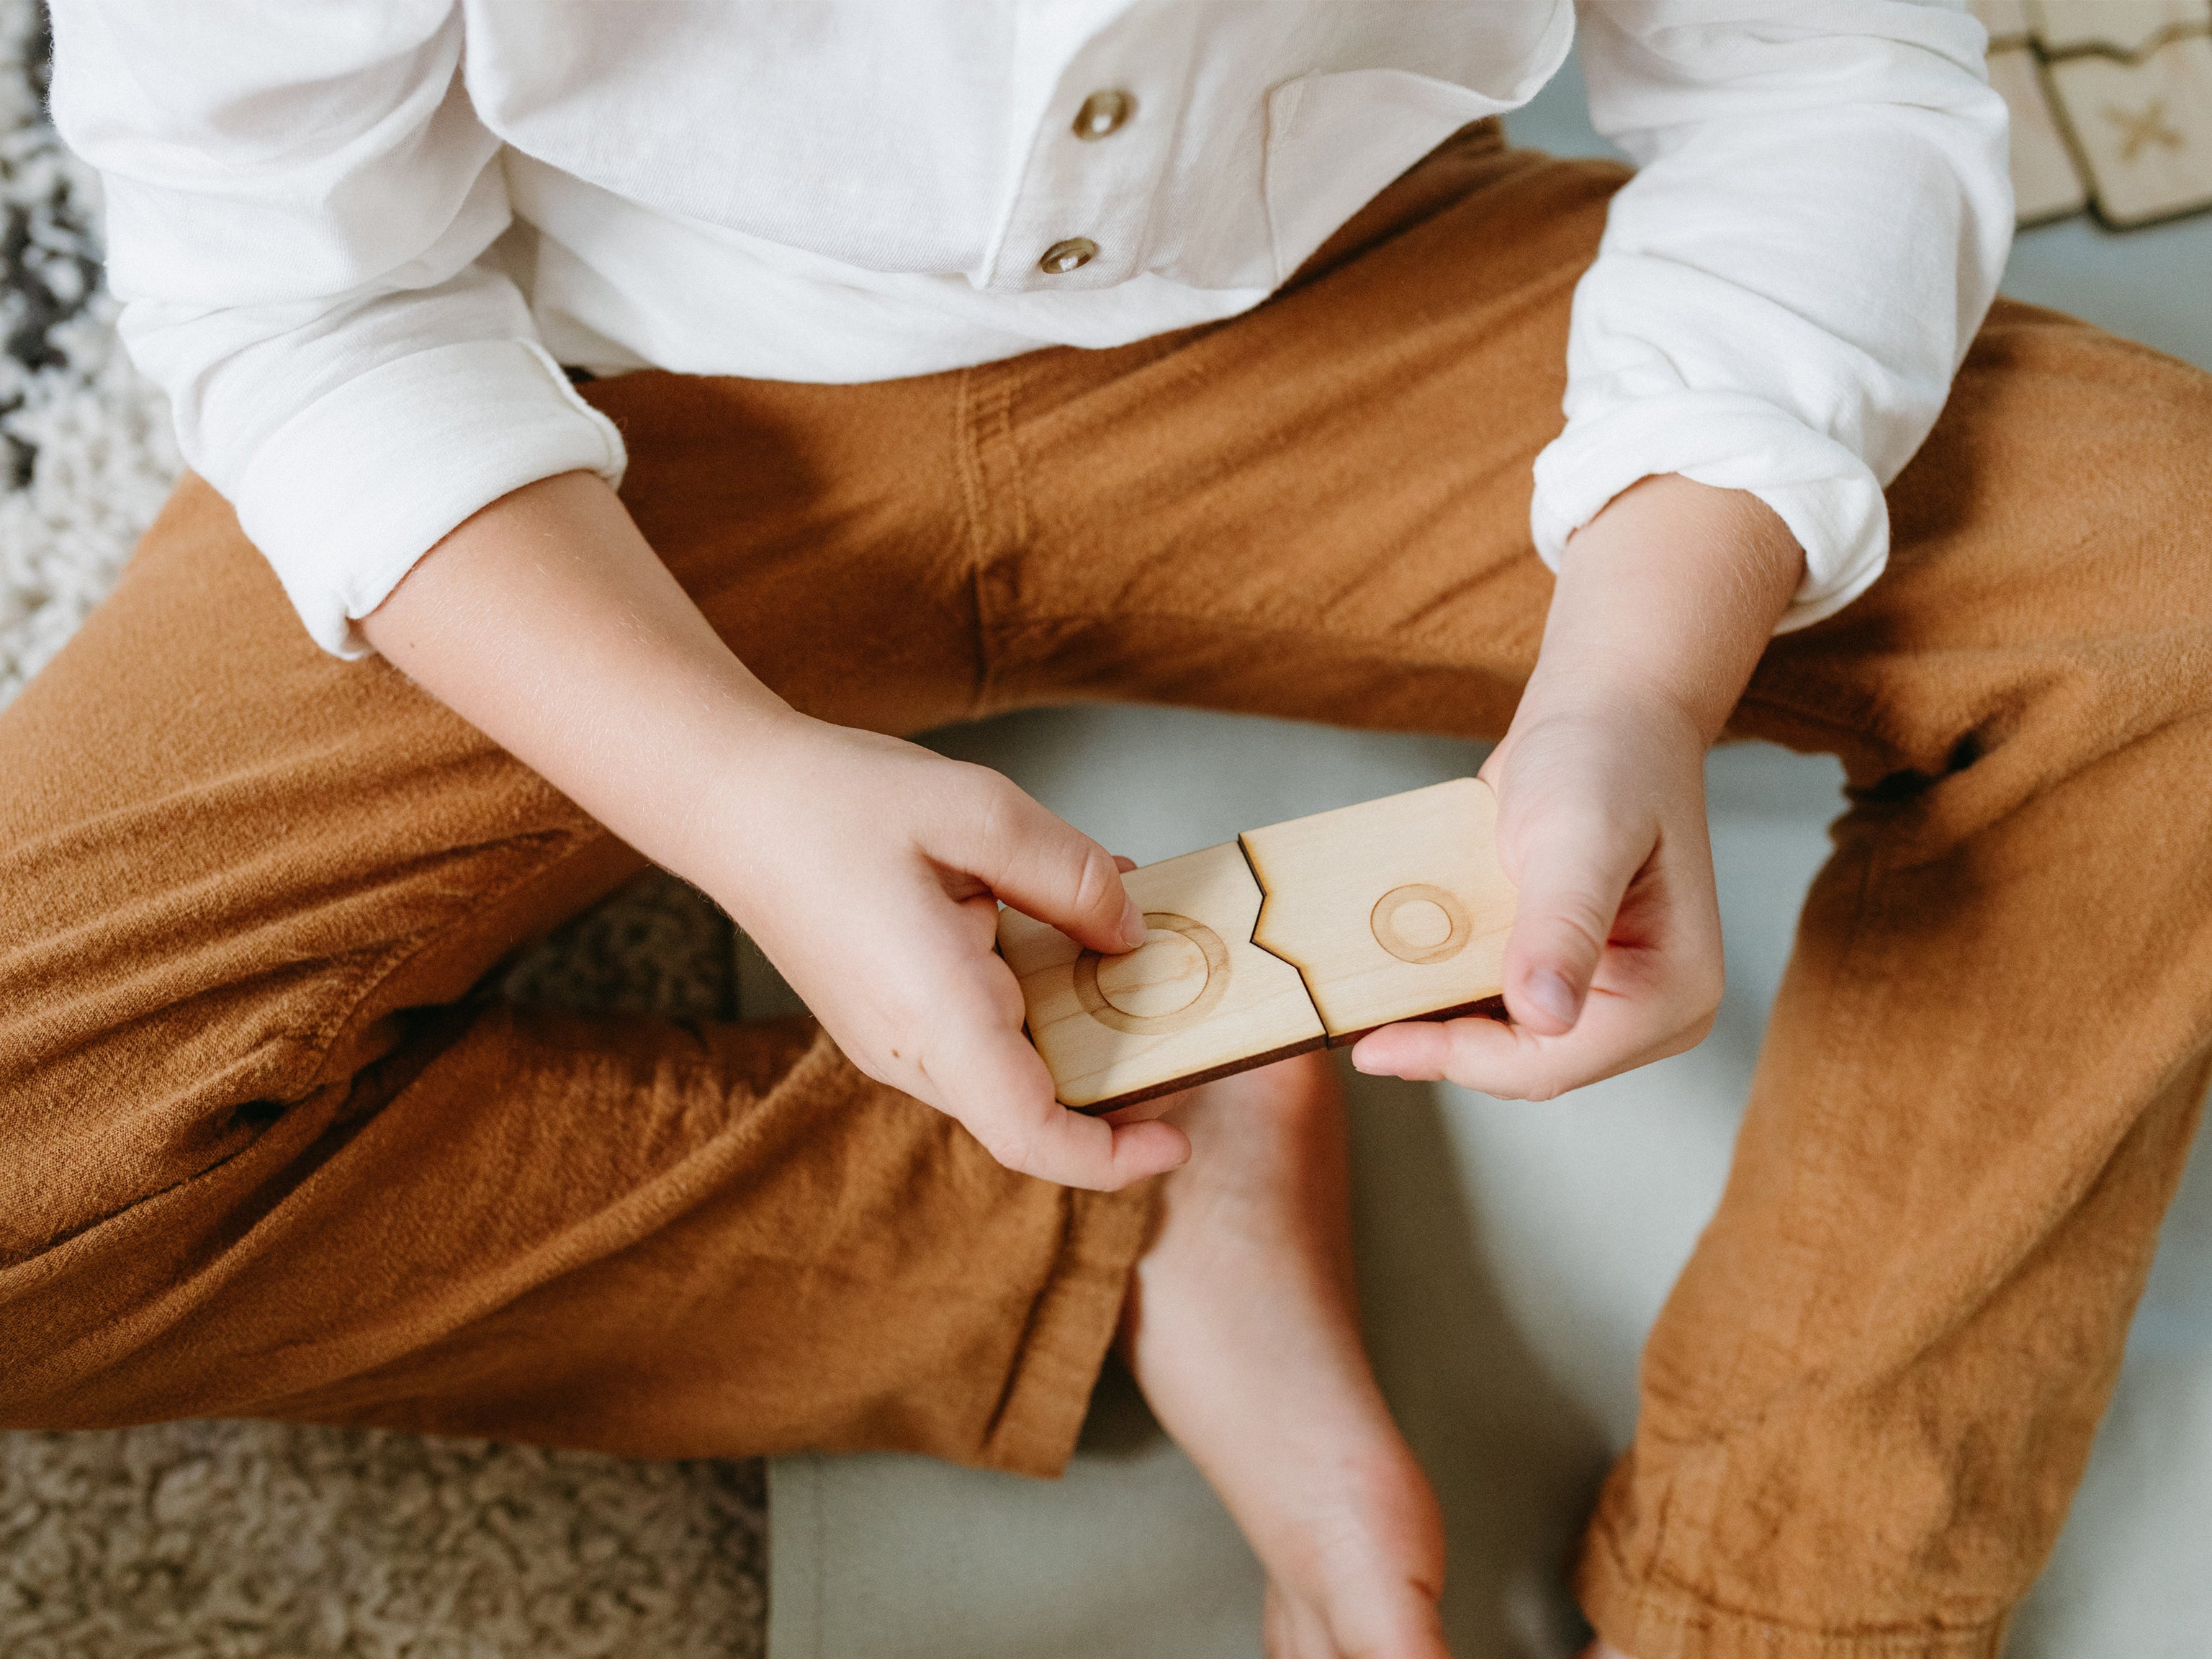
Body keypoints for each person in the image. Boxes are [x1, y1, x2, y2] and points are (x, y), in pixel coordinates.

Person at [4, 1, 2208, 1654]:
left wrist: (1645, 655)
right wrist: (730, 792)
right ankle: (1120, 1226)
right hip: (580, 397)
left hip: (1322, 311)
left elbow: (1819, 75)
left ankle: (1776, 1614)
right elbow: (295, 279)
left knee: (2169, 597)